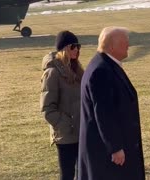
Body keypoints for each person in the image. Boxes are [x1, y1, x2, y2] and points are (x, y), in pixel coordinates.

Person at [78, 26, 145, 180]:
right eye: (124, 42)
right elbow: (103, 112)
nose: (128, 45)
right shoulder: (101, 71)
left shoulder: (107, 64)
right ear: (112, 46)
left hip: (115, 149)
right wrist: (115, 147)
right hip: (107, 156)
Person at [40, 30, 84, 180]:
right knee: (67, 175)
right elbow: (47, 109)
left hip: (81, 131)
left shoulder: (77, 70)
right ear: (64, 48)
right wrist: (66, 124)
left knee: (83, 173)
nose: (77, 50)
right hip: (66, 135)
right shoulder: (52, 73)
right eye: (73, 47)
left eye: (78, 46)